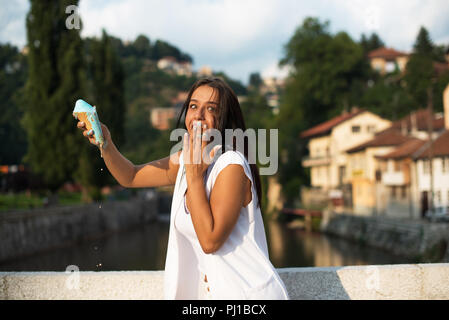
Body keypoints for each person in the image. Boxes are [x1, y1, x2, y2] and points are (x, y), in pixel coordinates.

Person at [77, 77, 289, 300]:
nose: (198, 115)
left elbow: (210, 241)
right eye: (194, 106)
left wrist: (195, 178)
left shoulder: (231, 165)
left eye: (211, 109)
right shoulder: (185, 161)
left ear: (225, 119)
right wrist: (106, 143)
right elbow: (130, 176)